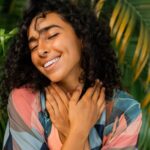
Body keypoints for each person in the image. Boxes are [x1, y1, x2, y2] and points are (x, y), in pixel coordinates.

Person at [2, 0, 142, 149]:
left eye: (52, 35)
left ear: (81, 37)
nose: (41, 50)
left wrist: (69, 131)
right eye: (33, 46)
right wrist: (78, 132)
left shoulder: (124, 111)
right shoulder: (26, 100)